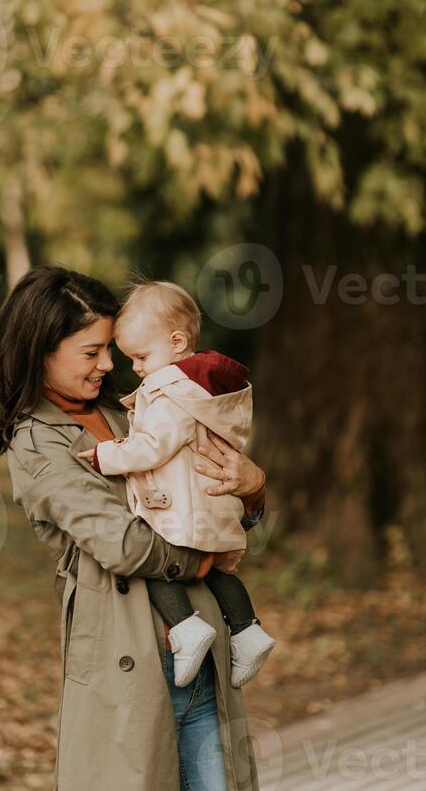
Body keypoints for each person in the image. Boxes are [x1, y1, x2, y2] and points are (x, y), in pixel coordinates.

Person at [0, 266, 267, 791]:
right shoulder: (36, 441)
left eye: (110, 348)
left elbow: (205, 503)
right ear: (41, 349)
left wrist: (252, 490)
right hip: (131, 656)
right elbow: (122, 543)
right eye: (91, 353)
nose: (109, 365)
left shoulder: (135, 407)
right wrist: (204, 560)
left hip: (202, 645)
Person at [77, 280, 275, 690]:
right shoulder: (200, 390)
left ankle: (186, 627)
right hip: (208, 506)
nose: (136, 368)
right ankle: (247, 630)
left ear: (178, 341)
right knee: (218, 572)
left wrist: (106, 455)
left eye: (142, 357)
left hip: (184, 508)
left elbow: (151, 447)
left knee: (157, 569)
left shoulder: (172, 394)